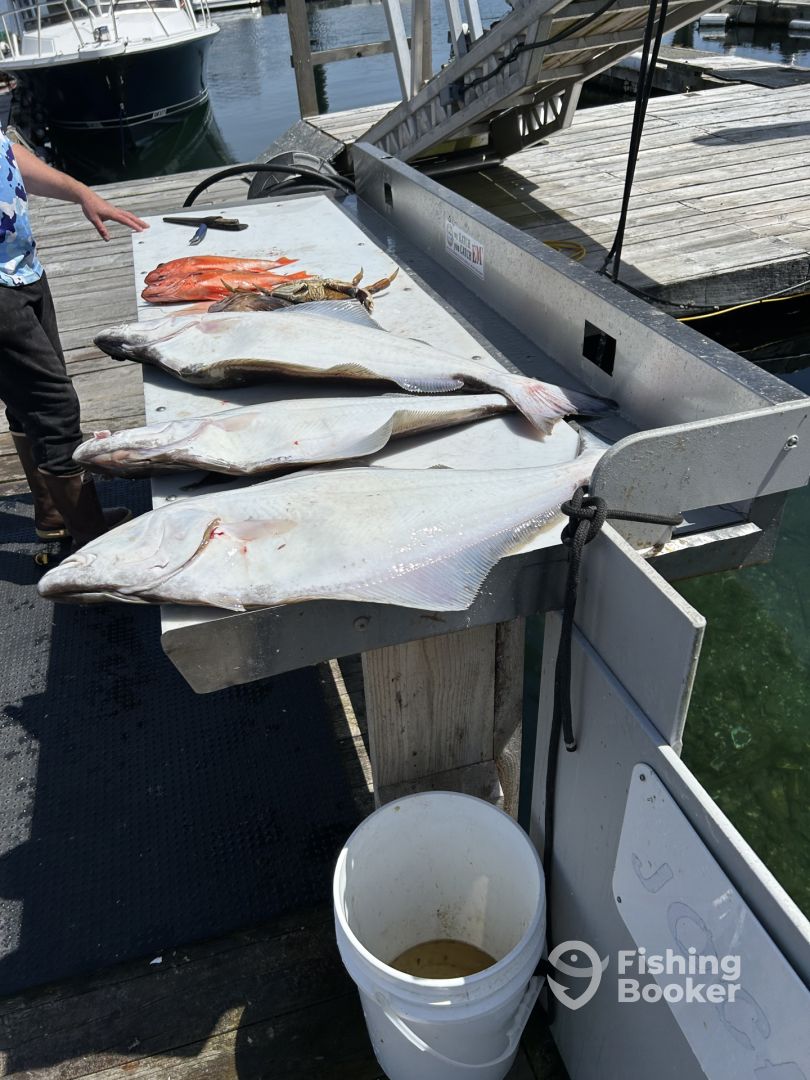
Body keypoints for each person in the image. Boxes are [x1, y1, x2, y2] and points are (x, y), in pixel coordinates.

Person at [0, 131, 149, 548]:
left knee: (27, 400)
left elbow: (8, 153)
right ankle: (93, 541)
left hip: (23, 269)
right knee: (55, 406)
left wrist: (81, 193)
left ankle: (54, 514)